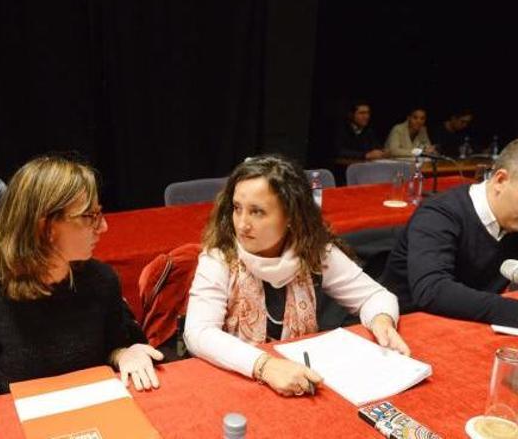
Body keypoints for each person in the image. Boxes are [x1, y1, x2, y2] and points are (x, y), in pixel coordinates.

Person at [0, 155, 162, 424]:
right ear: (45, 227)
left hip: (94, 413)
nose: (103, 226)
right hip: (23, 421)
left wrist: (126, 352)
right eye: (90, 217)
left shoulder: (101, 279)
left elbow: (116, 343)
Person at [184, 155, 409, 397]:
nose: (241, 224)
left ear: (291, 216)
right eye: (237, 209)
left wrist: (381, 319)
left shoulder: (315, 252)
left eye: (257, 212)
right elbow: (199, 332)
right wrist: (264, 366)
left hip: (299, 381)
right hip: (235, 381)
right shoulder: (219, 256)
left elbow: (374, 296)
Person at [379, 139, 518, 324]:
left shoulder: (512, 220)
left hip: (467, 325)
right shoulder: (439, 213)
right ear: (500, 180)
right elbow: (432, 290)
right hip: (405, 327)